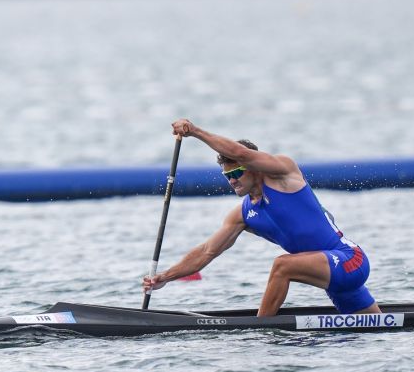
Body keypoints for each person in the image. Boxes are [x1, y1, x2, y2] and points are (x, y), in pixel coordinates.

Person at [142, 119, 381, 317]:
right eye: (227, 176)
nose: (232, 180)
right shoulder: (242, 214)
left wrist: (194, 131)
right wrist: (165, 277)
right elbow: (206, 252)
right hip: (336, 281)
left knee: (282, 265)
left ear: (253, 167)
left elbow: (239, 152)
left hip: (350, 261)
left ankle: (260, 329)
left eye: (236, 172)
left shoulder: (283, 174)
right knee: (380, 329)